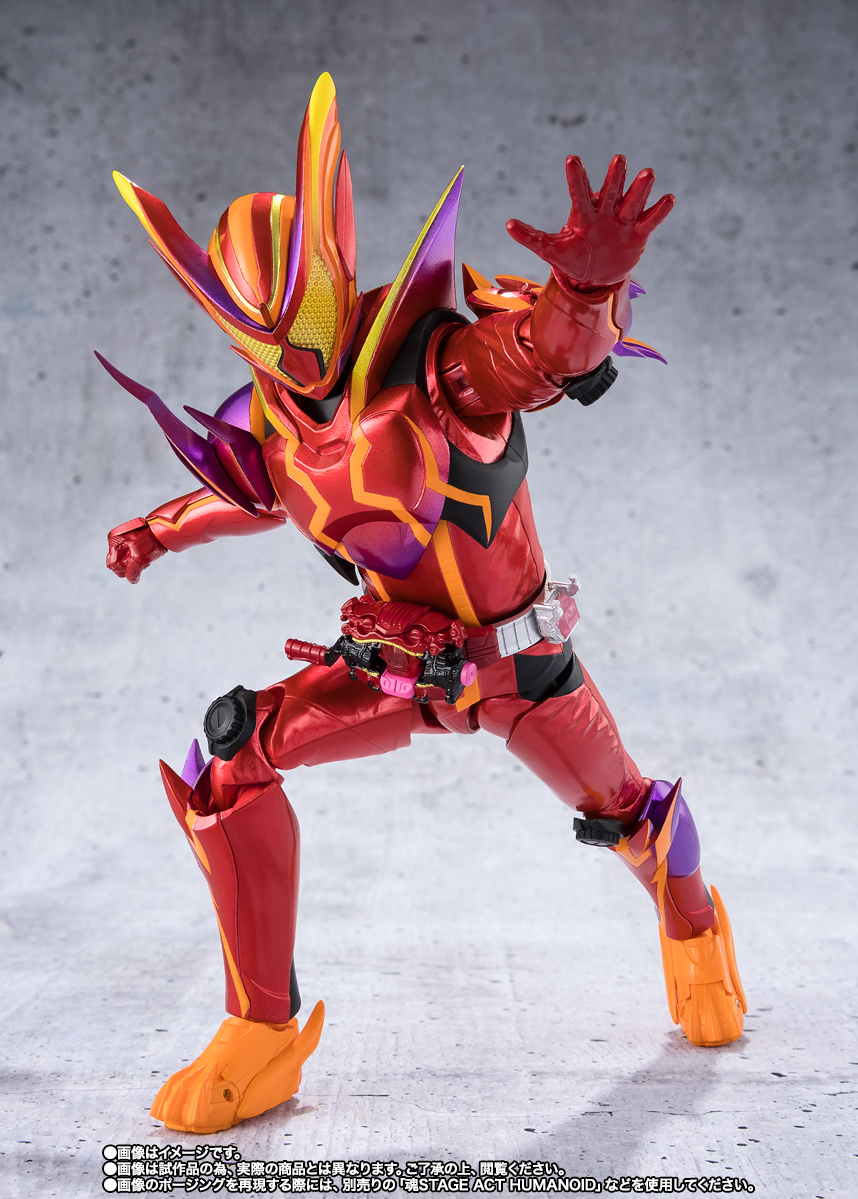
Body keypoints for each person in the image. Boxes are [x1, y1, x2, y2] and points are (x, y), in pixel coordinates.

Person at [102, 73, 745, 1135]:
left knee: (628, 813)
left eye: (303, 312)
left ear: (332, 272)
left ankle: (694, 926)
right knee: (231, 759)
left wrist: (584, 294)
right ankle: (262, 1035)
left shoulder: (434, 366)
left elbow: (535, 358)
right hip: (393, 670)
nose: (294, 347)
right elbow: (251, 497)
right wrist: (159, 529)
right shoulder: (271, 417)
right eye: (262, 332)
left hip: (517, 669)